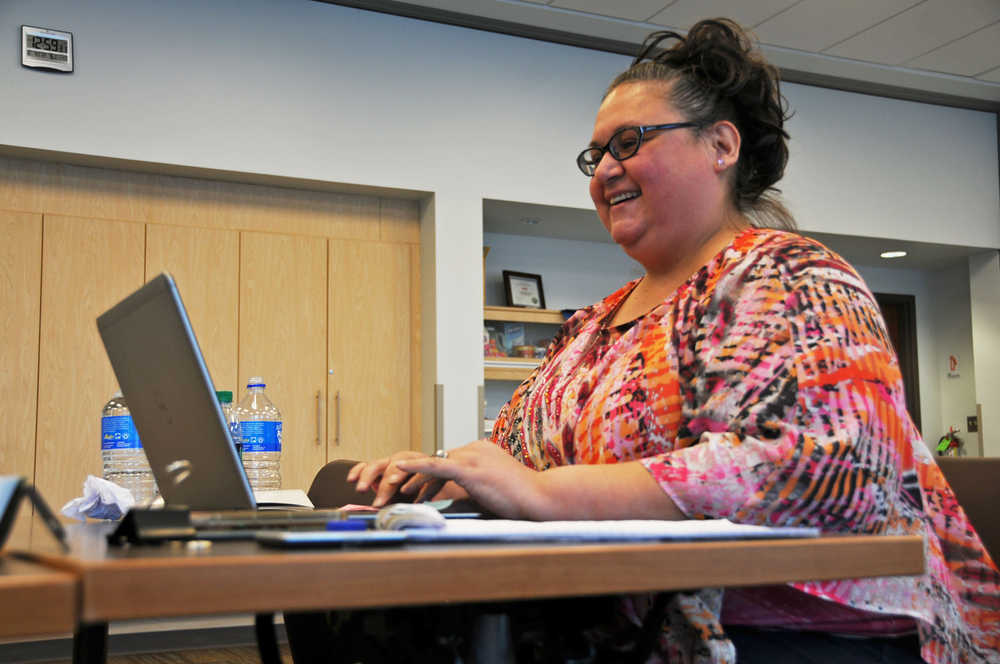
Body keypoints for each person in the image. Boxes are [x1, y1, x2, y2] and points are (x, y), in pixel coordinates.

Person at [347, 18, 1000, 664]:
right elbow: (515, 455)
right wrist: (444, 482)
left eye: (629, 141)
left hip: (802, 641)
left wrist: (543, 494)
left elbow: (827, 471)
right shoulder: (589, 328)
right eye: (594, 154)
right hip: (628, 626)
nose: (604, 169)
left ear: (721, 145)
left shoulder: (791, 275)